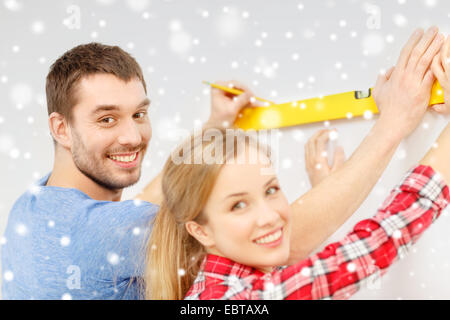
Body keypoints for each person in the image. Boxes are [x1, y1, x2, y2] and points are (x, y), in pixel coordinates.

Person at [2, 26, 442, 299]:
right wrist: (395, 122)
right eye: (106, 119)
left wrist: (214, 127)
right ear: (60, 128)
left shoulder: (33, 205)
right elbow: (288, 241)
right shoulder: (115, 237)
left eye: (139, 113)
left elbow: (160, 199)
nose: (133, 136)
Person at [145, 32, 450, 300]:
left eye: (272, 189)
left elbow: (308, 283)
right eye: (238, 205)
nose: (270, 216)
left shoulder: (221, 283)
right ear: (201, 231)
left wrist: (327, 190)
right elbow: (375, 245)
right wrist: (394, 122)